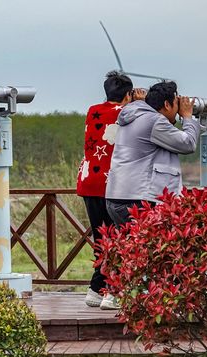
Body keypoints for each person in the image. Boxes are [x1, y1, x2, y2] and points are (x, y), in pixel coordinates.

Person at [78, 71, 146, 309]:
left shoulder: (92, 110)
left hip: (88, 181)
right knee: (118, 239)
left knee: (102, 240)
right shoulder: (128, 113)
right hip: (113, 185)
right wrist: (140, 102)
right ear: (128, 94)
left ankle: (96, 290)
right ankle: (112, 292)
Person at [105, 81, 200, 225]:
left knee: (129, 246)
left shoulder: (136, 116)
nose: (179, 108)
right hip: (136, 201)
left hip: (117, 196)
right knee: (147, 246)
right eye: (176, 103)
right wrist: (187, 117)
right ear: (167, 105)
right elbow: (188, 144)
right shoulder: (154, 121)